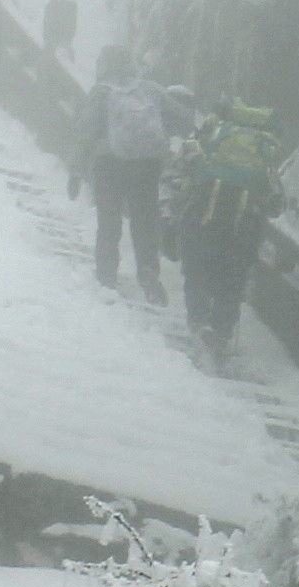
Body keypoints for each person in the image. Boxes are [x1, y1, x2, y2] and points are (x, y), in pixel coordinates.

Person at [176, 97, 282, 364]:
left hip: (205, 213)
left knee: (197, 268)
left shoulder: (213, 134)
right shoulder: (264, 149)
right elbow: (276, 202)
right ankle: (221, 334)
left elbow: (186, 167)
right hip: (243, 223)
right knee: (232, 278)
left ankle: (199, 321)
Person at [86, 54, 176, 295]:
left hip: (109, 164)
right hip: (147, 165)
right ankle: (148, 271)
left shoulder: (101, 92)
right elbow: (176, 119)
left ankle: (106, 274)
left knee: (109, 221)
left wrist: (76, 169)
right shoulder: (150, 90)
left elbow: (87, 133)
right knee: (144, 222)